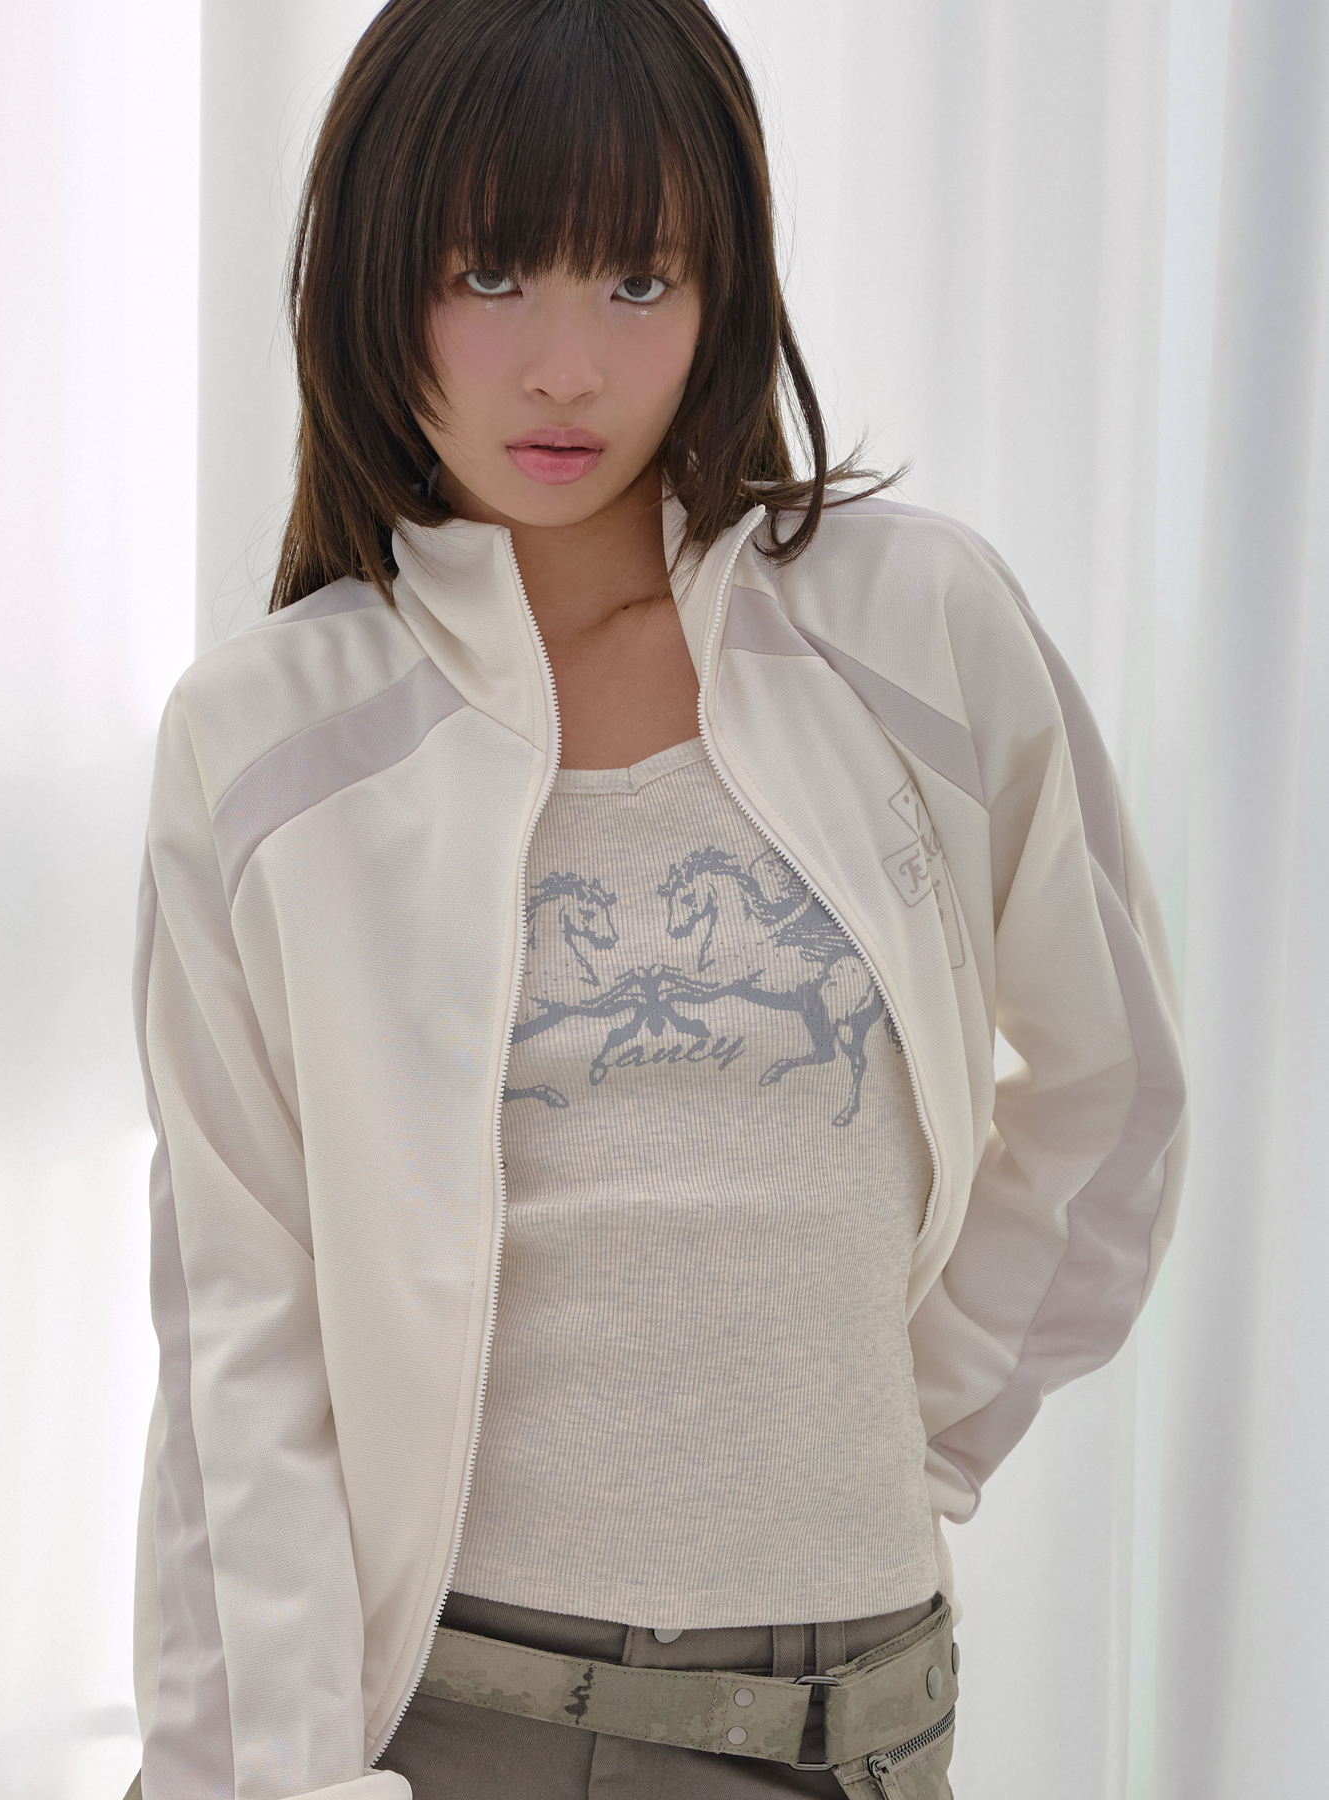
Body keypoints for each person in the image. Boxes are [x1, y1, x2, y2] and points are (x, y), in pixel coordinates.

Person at [125, 2, 1188, 1796]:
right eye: (490, 273)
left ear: (725, 292)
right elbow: (246, 1334)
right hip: (476, 1728)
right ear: (375, 273)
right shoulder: (268, 743)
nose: (567, 368)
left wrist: (901, 1430)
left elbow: (1115, 1086)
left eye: (639, 280)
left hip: (869, 1729)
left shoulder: (916, 625)